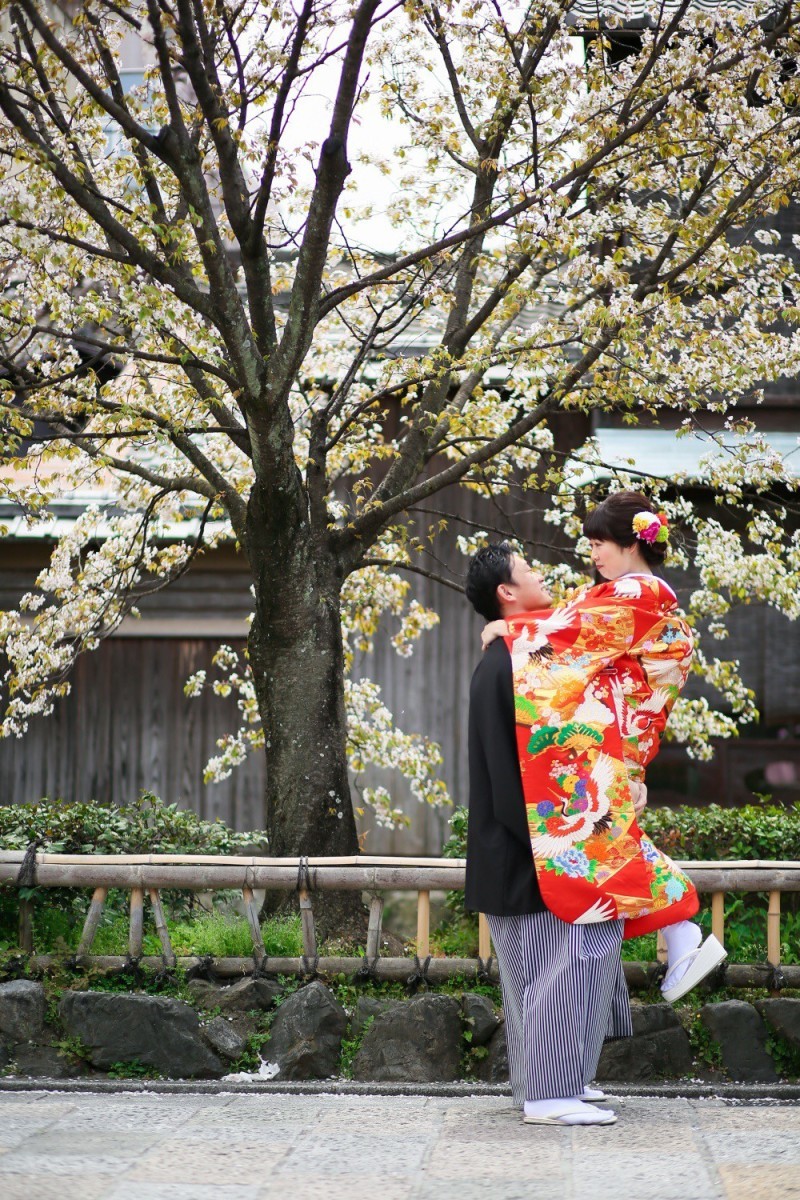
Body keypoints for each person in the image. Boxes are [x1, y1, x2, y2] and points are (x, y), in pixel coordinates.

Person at [464, 493, 725, 1126]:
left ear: (628, 540)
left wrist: (513, 630)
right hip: (546, 804)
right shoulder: (524, 657)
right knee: (560, 968)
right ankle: (553, 1090)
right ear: (507, 590)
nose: (585, 557)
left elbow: (570, 633)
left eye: (597, 543)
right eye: (530, 570)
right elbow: (570, 632)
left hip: (618, 716)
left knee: (560, 967)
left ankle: (555, 1085)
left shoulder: (639, 597)